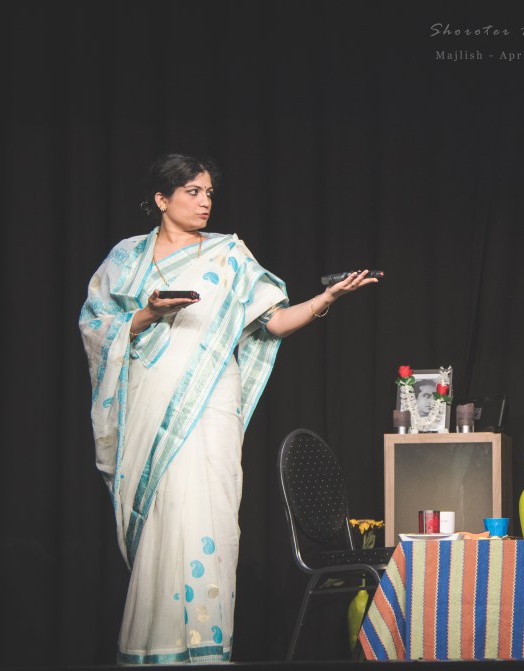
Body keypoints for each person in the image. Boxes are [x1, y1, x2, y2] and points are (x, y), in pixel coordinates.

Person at [79, 153, 379, 664]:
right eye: (193, 192)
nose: (205, 202)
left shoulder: (229, 255)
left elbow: (274, 323)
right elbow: (96, 325)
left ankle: (205, 650)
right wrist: (148, 312)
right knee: (160, 518)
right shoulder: (126, 258)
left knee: (208, 515)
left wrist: (326, 298)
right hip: (148, 402)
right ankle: (154, 649)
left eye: (209, 193)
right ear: (161, 199)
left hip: (212, 400)